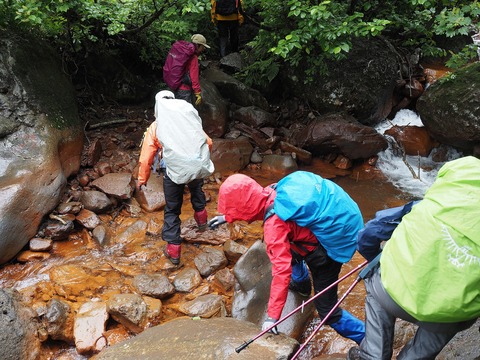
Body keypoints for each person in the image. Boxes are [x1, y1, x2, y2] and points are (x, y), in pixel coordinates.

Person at [208, 172, 366, 344]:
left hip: (325, 255)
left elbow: (281, 272)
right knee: (280, 250)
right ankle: (302, 282)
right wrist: (228, 217)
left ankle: (369, 339)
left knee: (328, 312)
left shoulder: (274, 226)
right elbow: (253, 205)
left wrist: (272, 317)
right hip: (318, 236)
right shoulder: (273, 190)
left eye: (233, 207)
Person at [348, 156, 480, 360]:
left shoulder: (427, 205)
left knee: (377, 287)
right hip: (450, 315)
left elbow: (370, 234)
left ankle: (372, 355)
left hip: (390, 294)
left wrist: (376, 260)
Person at [137, 90, 214, 265]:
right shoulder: (187, 119)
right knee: (197, 190)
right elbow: (208, 142)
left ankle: (174, 251)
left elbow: (146, 157)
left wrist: (142, 179)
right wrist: (201, 161)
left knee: (172, 208)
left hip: (173, 172)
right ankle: (202, 222)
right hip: (195, 165)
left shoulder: (157, 126)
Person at [166, 34, 210, 106]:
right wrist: (197, 92)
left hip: (174, 84)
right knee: (184, 113)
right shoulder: (193, 57)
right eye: (203, 46)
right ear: (198, 45)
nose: (203, 49)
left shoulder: (183, 52)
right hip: (184, 89)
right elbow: (194, 76)